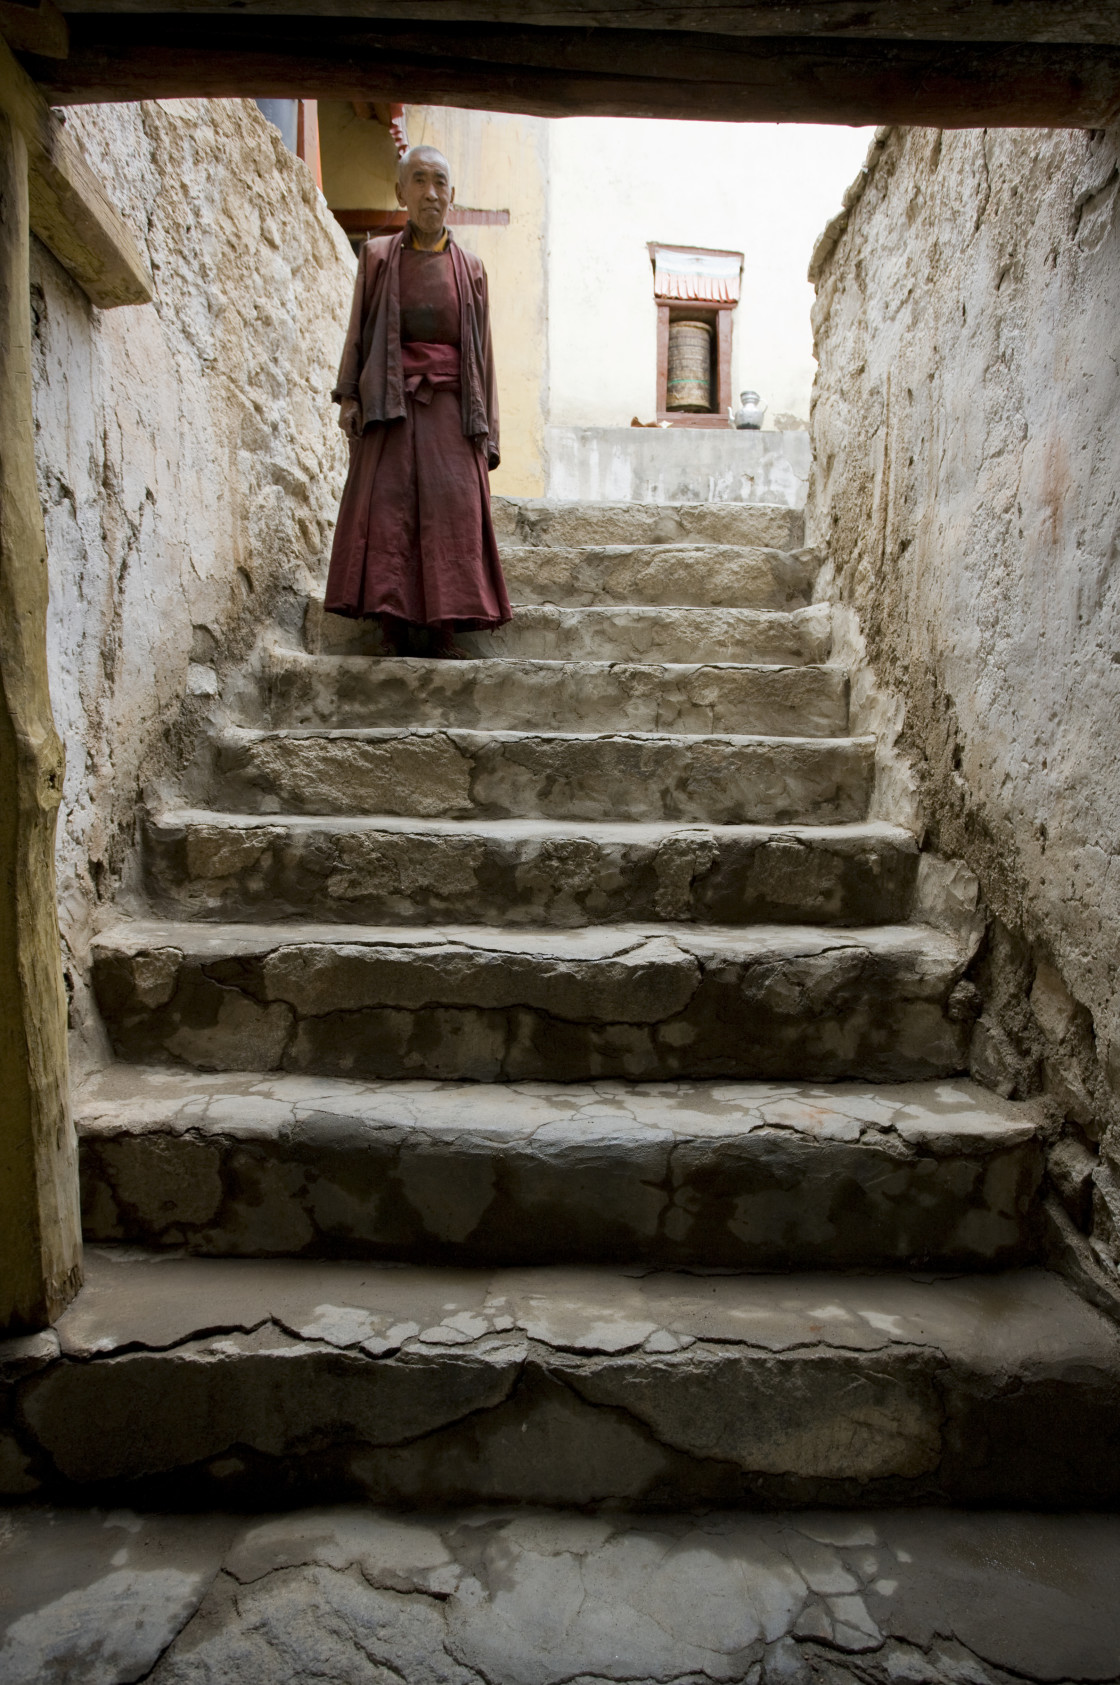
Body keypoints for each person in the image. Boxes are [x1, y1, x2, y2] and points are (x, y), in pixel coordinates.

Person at [325, 145, 510, 657]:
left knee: (453, 511)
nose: (431, 192)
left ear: (453, 195)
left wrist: (488, 430)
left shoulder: (470, 269)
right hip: (390, 401)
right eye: (420, 180)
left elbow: (484, 354)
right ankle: (389, 625)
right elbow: (358, 332)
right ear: (400, 191)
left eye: (440, 182)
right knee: (388, 510)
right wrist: (348, 397)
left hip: (451, 408)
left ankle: (445, 627)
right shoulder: (378, 257)